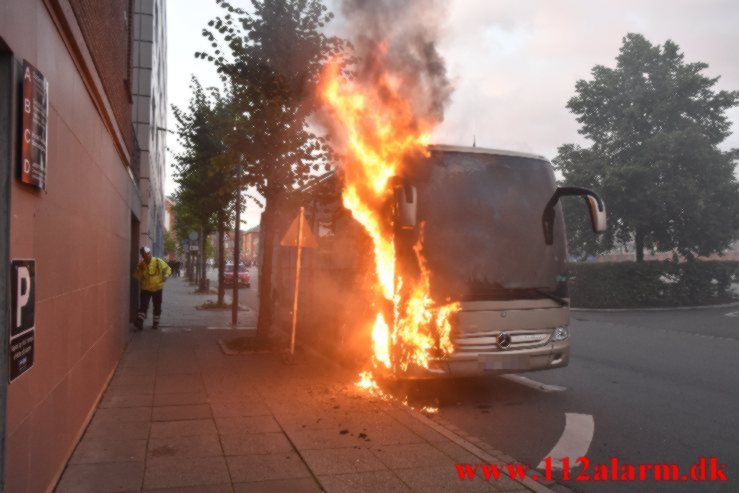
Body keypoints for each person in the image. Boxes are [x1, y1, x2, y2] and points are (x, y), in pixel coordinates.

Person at [132, 246, 172, 330]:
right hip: (145, 289)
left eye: (147, 254)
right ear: (142, 255)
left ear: (150, 253)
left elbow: (168, 269)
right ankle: (139, 322)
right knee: (143, 306)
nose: (146, 256)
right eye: (144, 255)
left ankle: (155, 323)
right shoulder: (141, 265)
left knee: (157, 306)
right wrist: (140, 271)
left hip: (157, 288)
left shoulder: (158, 261)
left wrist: (166, 276)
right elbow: (137, 276)